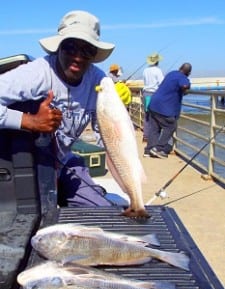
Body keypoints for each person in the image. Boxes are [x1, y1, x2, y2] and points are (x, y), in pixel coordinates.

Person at [0, 10, 131, 207]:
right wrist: (30, 121)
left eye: (87, 50)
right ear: (58, 47)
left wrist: (119, 114)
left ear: (94, 55)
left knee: (102, 210)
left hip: (65, 163)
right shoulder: (38, 72)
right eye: (70, 47)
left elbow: (108, 140)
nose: (78, 57)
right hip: (29, 169)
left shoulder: (99, 81)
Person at [144, 62, 192, 159]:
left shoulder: (171, 73)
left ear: (180, 67)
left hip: (153, 104)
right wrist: (186, 88)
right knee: (171, 126)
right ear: (188, 73)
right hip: (163, 107)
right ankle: (158, 148)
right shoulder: (182, 77)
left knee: (155, 128)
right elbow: (184, 85)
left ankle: (148, 151)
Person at [142, 53, 164, 142]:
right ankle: (154, 136)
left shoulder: (145, 70)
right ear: (157, 61)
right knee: (156, 116)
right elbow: (162, 82)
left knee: (147, 115)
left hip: (145, 93)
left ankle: (146, 135)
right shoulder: (158, 70)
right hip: (154, 95)